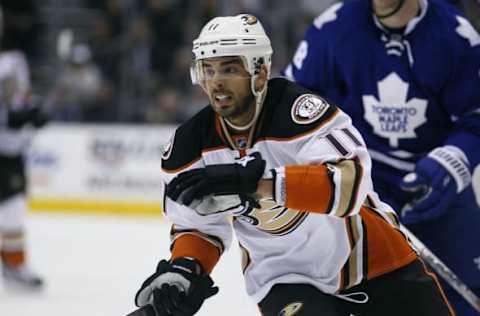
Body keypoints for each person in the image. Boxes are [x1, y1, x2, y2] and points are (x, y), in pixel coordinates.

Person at [132, 14, 455, 316]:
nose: (216, 82)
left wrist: (260, 184)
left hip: (374, 259)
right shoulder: (189, 145)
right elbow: (197, 225)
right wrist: (186, 267)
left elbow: (351, 184)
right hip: (284, 278)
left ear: (259, 71)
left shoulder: (300, 113)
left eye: (229, 69)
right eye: (208, 69)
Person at [283, 0, 480, 314]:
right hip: (364, 182)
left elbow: (475, 114)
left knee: (467, 290)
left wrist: (451, 160)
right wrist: (326, 158)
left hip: (437, 180)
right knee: (356, 287)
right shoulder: (332, 29)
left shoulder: (455, 34)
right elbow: (292, 101)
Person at [0, 7, 45, 290]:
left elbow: (20, 97)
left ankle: (13, 261)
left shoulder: (15, 59)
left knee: (14, 207)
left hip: (10, 150)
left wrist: (32, 112)